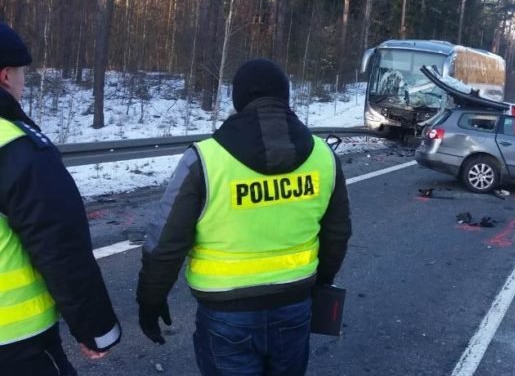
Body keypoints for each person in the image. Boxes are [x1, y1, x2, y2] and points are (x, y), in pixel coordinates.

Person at [137, 58, 352, 375]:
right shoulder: (324, 157)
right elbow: (337, 233)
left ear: (238, 100)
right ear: (286, 98)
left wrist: (150, 300)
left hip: (226, 313)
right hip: (295, 304)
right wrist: (320, 283)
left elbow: (166, 243)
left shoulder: (205, 160)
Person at [0, 23, 121, 375]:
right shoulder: (15, 146)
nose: (24, 83)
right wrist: (96, 329)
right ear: (6, 76)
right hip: (16, 344)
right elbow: (60, 245)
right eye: (23, 73)